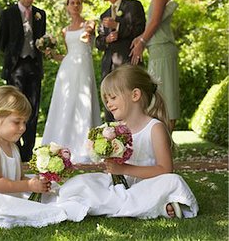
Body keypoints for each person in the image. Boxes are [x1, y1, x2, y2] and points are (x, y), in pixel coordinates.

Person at [58, 65, 198, 219]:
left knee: (173, 181)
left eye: (113, 97)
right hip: (122, 186)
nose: (109, 104)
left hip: (148, 185)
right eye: (106, 99)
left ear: (135, 95)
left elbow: (166, 170)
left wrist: (124, 169)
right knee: (82, 183)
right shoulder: (117, 130)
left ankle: (152, 204)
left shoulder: (155, 128)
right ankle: (152, 205)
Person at [0, 86, 88, 228]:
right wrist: (29, 185)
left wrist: (36, 183)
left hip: (7, 192)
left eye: (24, 122)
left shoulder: (12, 146)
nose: (23, 127)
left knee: (53, 194)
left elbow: (19, 178)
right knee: (41, 210)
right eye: (17, 122)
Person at [41, 0, 101, 163]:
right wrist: (52, 54)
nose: (75, 5)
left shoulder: (89, 24)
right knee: (65, 103)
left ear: (81, 6)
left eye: (78, 3)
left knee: (84, 101)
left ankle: (84, 145)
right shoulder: (65, 30)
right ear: (67, 7)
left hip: (83, 67)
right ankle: (62, 143)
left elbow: (88, 35)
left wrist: (87, 35)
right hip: (67, 68)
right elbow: (67, 55)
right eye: (72, 3)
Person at [0, 0, 46, 162]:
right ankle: (16, 148)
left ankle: (28, 152)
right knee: (15, 109)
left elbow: (41, 39)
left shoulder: (40, 14)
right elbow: (2, 42)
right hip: (16, 67)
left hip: (34, 66)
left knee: (33, 108)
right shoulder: (8, 14)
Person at [130, 0, 180, 131]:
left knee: (166, 98)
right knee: (158, 96)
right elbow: (153, 23)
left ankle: (166, 147)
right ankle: (161, 146)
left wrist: (142, 42)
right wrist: (140, 37)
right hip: (157, 50)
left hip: (163, 50)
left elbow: (156, 21)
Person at [96, 0, 146, 122]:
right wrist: (106, 39)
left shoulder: (133, 5)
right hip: (108, 66)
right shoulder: (104, 15)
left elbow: (140, 29)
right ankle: (111, 137)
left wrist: (117, 26)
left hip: (127, 61)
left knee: (130, 101)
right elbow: (98, 42)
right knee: (109, 103)